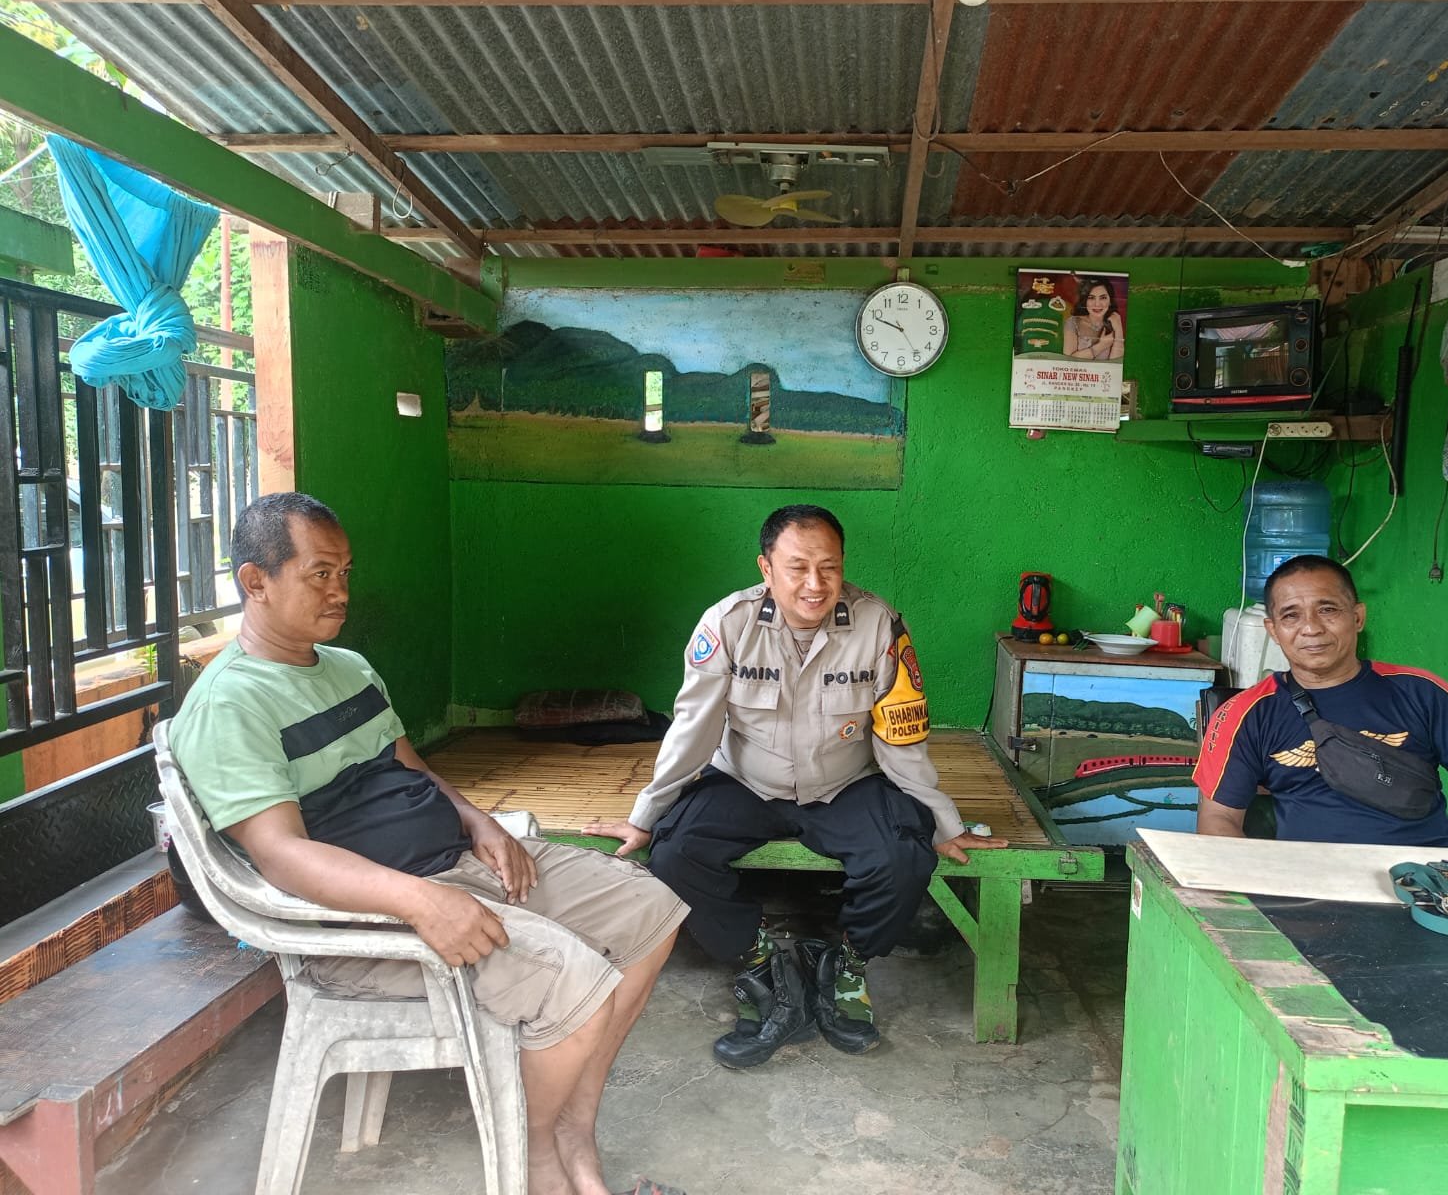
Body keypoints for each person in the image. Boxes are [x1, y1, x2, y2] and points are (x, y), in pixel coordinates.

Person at [169, 493, 689, 1195]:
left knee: (649, 911)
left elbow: (411, 769)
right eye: (320, 574)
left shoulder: (349, 668)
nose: (341, 591)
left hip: (452, 861)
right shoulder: (230, 705)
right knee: (575, 980)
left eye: (345, 572)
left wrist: (478, 820)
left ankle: (574, 1125)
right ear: (255, 581)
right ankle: (535, 1157)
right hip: (370, 918)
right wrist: (420, 901)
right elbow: (282, 854)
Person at [584, 505, 1006, 1069]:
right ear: (766, 568)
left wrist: (943, 822)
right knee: (675, 853)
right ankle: (762, 965)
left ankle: (844, 966)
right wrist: (646, 815)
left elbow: (901, 735)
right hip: (746, 781)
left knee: (904, 857)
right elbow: (693, 729)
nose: (815, 584)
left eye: (829, 567)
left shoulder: (878, 624)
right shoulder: (727, 624)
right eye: (798, 567)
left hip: (845, 782)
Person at [1195, 554, 1448, 845]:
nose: (1311, 628)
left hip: (1429, 881)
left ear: (1357, 617)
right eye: (1291, 615)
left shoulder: (1419, 691)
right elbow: (1219, 820)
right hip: (1312, 886)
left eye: (1328, 609)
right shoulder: (1246, 713)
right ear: (1273, 630)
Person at [1064, 279, 1125, 362]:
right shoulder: (1073, 322)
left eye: (1103, 298)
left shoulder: (1114, 323)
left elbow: (1116, 364)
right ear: (1085, 301)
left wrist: (1118, 329)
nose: (1097, 304)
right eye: (1091, 298)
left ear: (1110, 301)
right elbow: (1068, 361)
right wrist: (1101, 346)